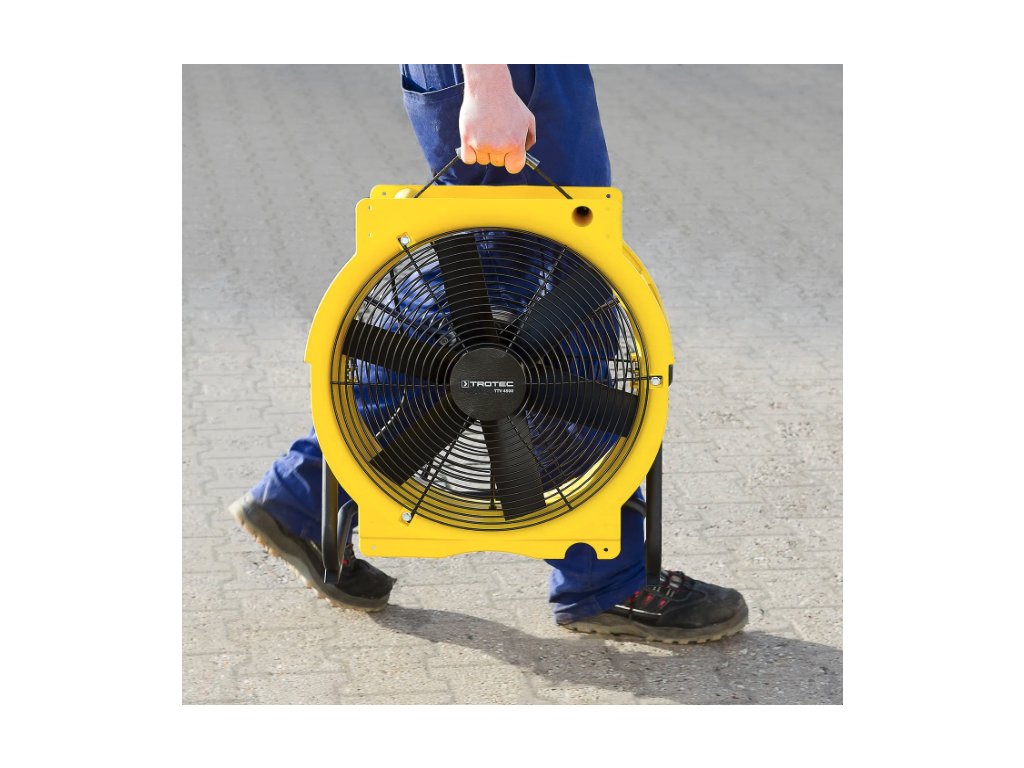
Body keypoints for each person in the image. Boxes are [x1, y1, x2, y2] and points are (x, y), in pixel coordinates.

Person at [230, 64, 748, 643]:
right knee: (541, 311)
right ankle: (606, 576)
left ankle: (305, 493)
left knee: (501, 305)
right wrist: (488, 85)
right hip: (512, 71)